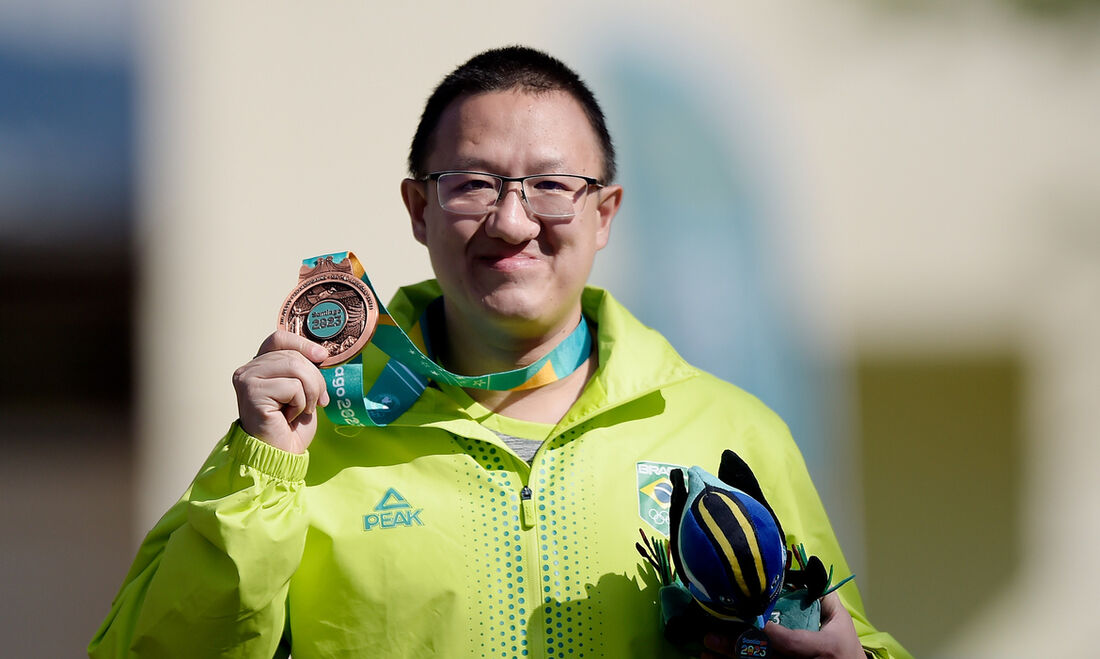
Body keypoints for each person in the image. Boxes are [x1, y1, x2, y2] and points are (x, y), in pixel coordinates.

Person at [89, 46, 909, 658]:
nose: (513, 223)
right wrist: (259, 476)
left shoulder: (730, 429)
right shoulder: (299, 442)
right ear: (419, 207)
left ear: (606, 212)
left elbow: (850, 633)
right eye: (473, 184)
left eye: (553, 185)